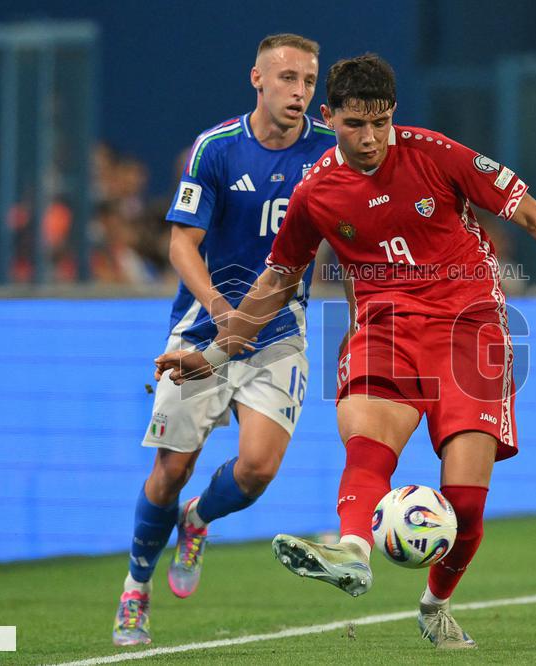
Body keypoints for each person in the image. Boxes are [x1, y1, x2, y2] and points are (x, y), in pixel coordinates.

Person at [154, 54, 536, 649]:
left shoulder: (436, 154)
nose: (370, 139)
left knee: (465, 507)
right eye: (355, 124)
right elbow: (276, 283)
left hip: (470, 331)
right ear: (328, 117)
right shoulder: (316, 193)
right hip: (385, 330)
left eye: (381, 123)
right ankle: (353, 551)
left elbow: (533, 216)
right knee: (367, 449)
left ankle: (435, 606)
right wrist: (211, 357)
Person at [111, 33, 336, 647]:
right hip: (205, 328)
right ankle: (136, 589)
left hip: (280, 330)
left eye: (310, 81)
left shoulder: (328, 154)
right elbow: (181, 242)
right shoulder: (216, 148)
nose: (300, 91)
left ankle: (199, 520)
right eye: (288, 78)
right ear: (256, 80)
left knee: (259, 467)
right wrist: (217, 307)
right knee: (170, 471)